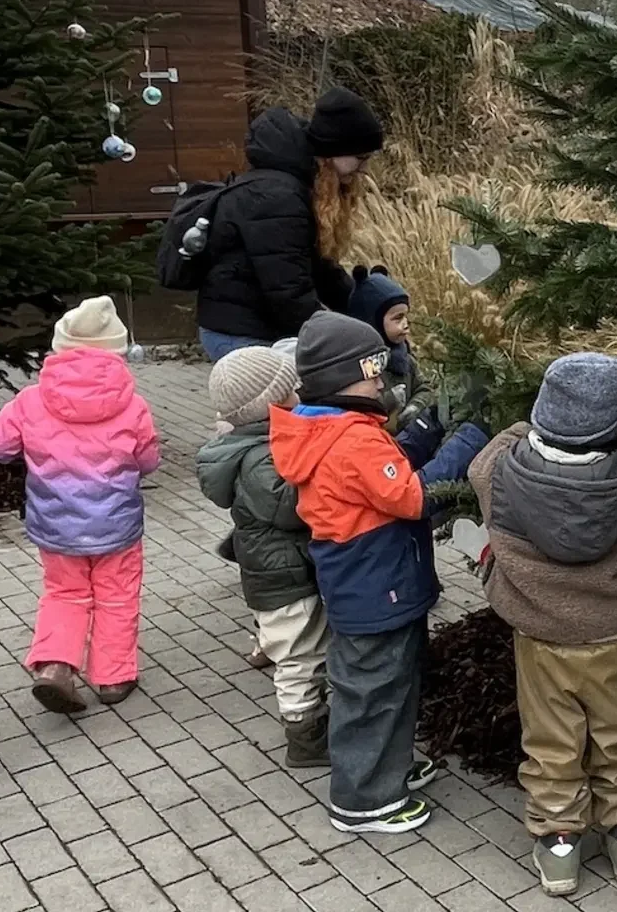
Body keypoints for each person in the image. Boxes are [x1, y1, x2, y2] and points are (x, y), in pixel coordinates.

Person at [270, 312, 487, 834]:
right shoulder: (352, 440)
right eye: (373, 373)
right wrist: (467, 439)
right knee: (373, 691)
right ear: (344, 378)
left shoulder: (336, 429)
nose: (382, 383)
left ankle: (386, 767)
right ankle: (362, 799)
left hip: (376, 585)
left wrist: (429, 427)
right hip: (377, 589)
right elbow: (412, 495)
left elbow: (390, 466)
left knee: (393, 682)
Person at [467, 353, 617, 896]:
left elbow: (487, 458)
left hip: (541, 634)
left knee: (551, 742)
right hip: (613, 629)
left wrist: (529, 425)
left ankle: (560, 850)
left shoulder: (500, 468)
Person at [0, 298, 160, 713]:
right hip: (117, 527)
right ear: (116, 351)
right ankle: (113, 678)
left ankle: (57, 666)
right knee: (117, 595)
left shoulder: (30, 400)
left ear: (61, 346)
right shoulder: (133, 404)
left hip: (55, 527)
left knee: (64, 593)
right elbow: (148, 460)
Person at [197, 346, 331, 767]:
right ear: (272, 405)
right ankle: (305, 738)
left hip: (281, 570)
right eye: (292, 389)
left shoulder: (259, 446)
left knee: (307, 650)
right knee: (297, 658)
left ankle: (313, 722)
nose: (300, 393)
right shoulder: (260, 459)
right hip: (282, 579)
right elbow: (289, 509)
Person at [196, 87, 384, 360]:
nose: (364, 169)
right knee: (282, 401)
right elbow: (289, 293)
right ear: (334, 151)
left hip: (257, 325)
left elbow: (320, 270)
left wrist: (371, 309)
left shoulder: (298, 186)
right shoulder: (278, 198)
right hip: (241, 332)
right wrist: (348, 337)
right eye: (361, 157)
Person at [346, 265, 434, 437]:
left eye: (406, 316)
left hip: (408, 436)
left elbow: (425, 387)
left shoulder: (405, 358)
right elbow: (359, 409)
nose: (406, 324)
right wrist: (390, 399)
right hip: (376, 442)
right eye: (397, 318)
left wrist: (415, 406)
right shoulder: (362, 366)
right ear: (372, 322)